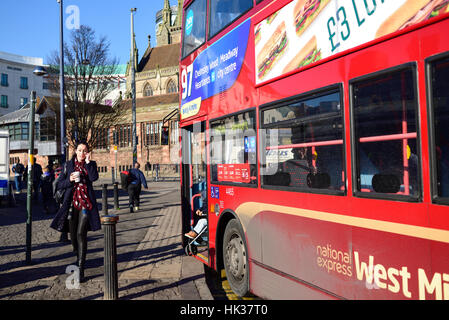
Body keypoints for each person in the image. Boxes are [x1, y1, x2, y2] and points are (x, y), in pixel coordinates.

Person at [50, 141, 100, 283]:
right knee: (73, 238)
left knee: (80, 233)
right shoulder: (67, 165)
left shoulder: (91, 164)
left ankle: (81, 268)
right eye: (80, 150)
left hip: (86, 204)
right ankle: (78, 255)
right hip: (71, 204)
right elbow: (59, 184)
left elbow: (93, 178)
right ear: (75, 151)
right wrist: (70, 180)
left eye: (85, 151)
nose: (82, 153)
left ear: (88, 152)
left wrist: (89, 163)